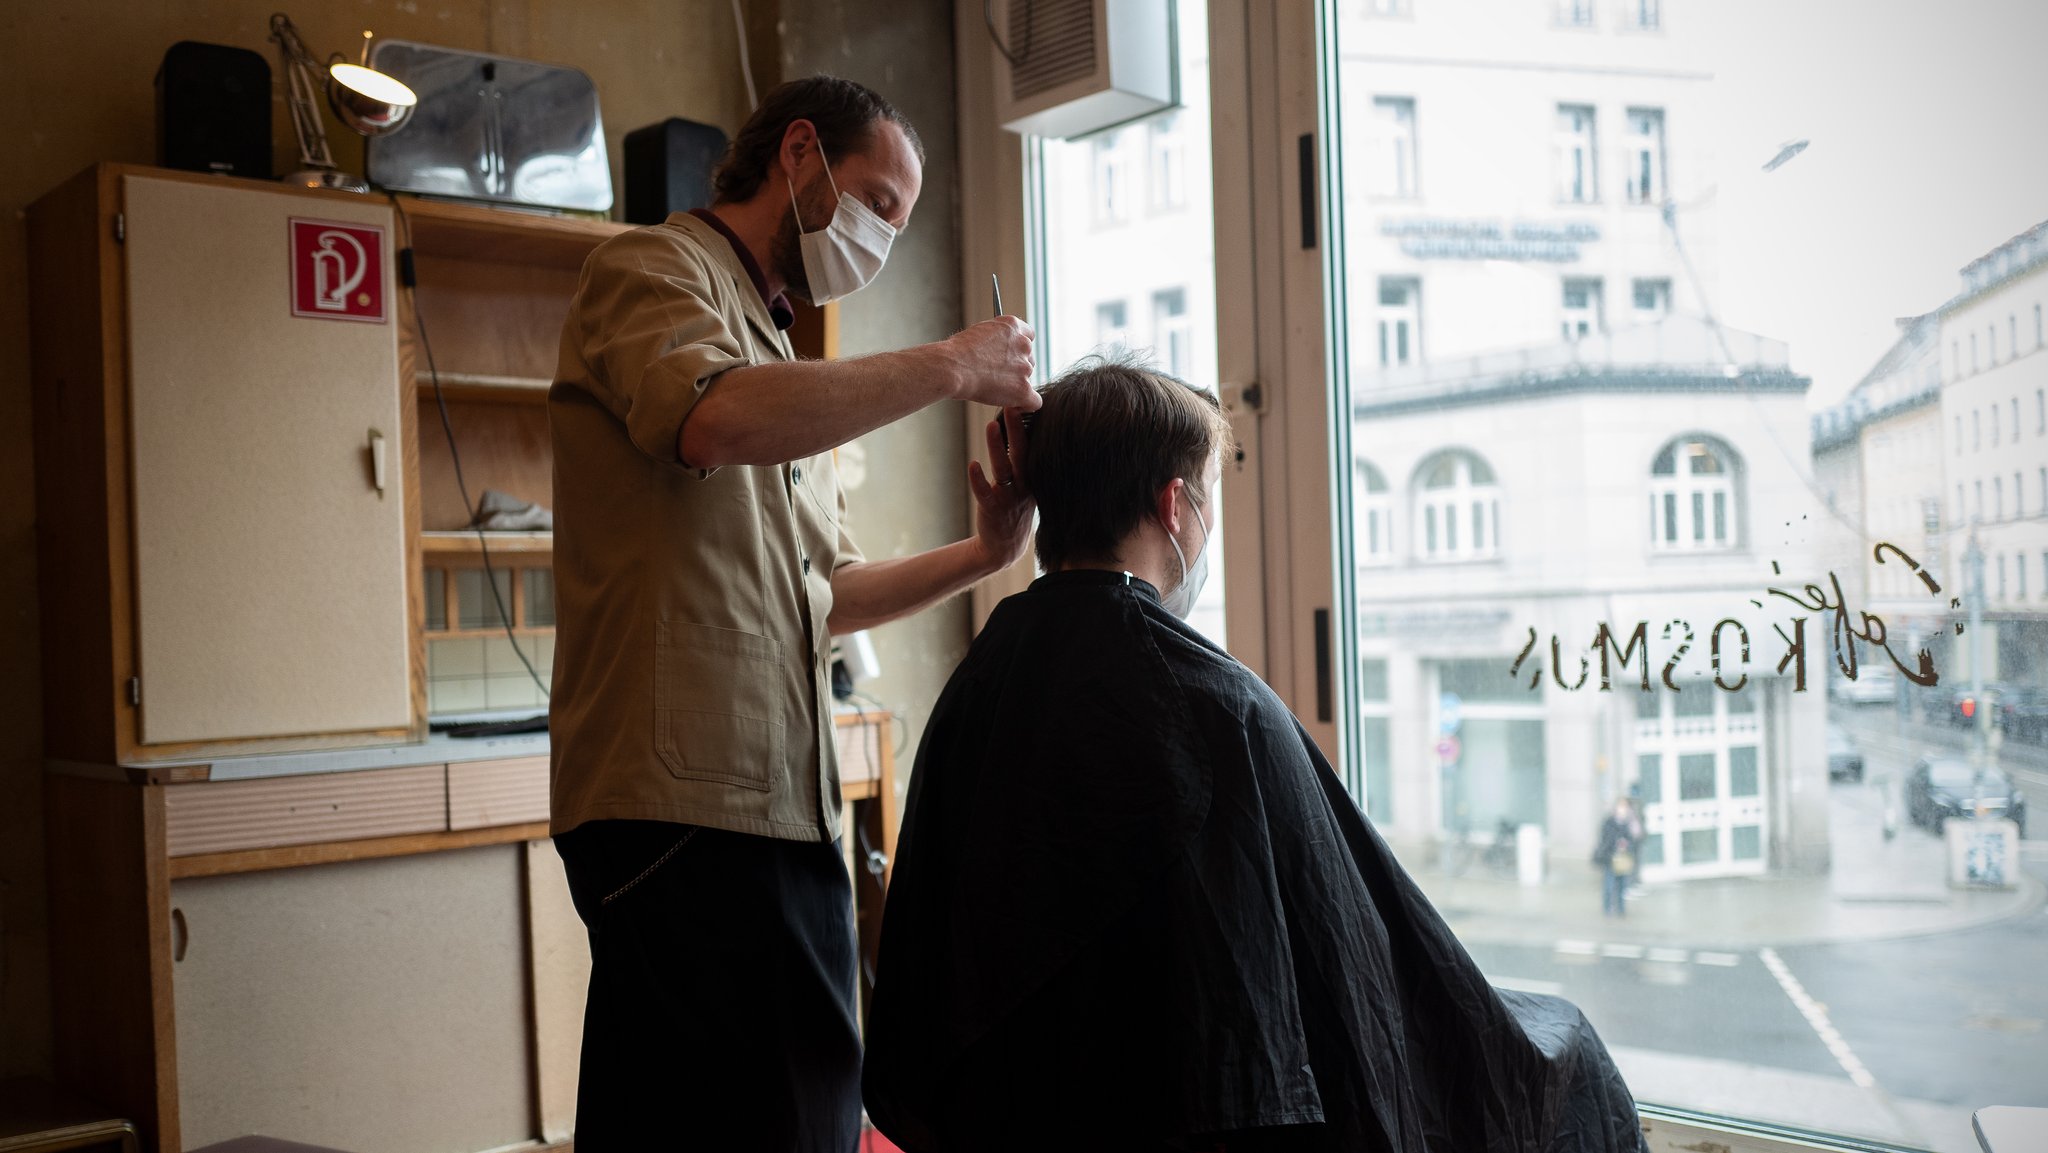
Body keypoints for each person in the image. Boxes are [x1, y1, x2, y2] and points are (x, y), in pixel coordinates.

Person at [863, 356, 1647, 1153]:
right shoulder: (1217, 707)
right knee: (1562, 1050)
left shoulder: (978, 684)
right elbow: (1358, 977)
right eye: (1210, 498)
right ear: (1176, 508)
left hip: (1011, 1119)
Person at [545, 75, 1039, 1151]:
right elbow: (706, 418)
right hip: (679, 801)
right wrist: (952, 364)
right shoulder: (651, 270)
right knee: (759, 1114)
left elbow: (827, 597)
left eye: (901, 225)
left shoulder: (778, 357)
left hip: (775, 799)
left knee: (751, 1109)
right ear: (800, 153)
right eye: (877, 201)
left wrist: (987, 552)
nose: (882, 237)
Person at [1594, 796, 1644, 917]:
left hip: (1623, 858)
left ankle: (1620, 908)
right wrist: (1616, 842)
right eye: (1620, 806)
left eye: (1625, 806)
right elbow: (1605, 839)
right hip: (1610, 857)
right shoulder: (1609, 822)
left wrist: (1626, 843)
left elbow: (1636, 836)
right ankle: (1608, 908)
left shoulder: (1629, 822)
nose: (1622, 809)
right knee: (1609, 885)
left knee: (1622, 885)